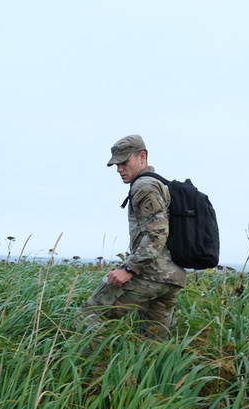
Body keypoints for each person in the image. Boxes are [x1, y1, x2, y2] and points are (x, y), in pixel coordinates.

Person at [76, 134, 186, 340]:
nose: (119, 169)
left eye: (124, 162)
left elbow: (157, 233)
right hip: (173, 277)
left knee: (89, 316)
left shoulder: (143, 186)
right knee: (152, 342)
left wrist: (129, 269)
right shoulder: (160, 184)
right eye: (116, 164)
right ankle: (152, 372)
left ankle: (87, 369)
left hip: (151, 274)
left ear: (142, 157)